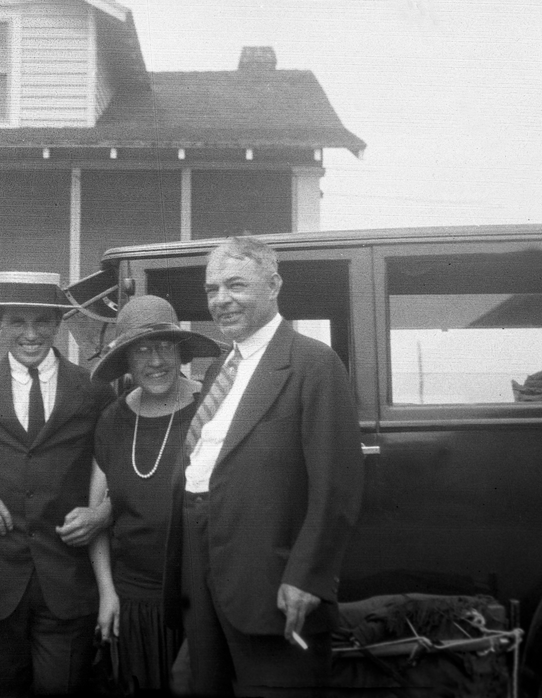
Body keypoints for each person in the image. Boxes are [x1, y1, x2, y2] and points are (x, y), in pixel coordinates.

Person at [166, 235, 365, 697]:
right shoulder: (219, 369)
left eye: (235, 285)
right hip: (202, 572)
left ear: (273, 284)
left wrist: (306, 577)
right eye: (213, 289)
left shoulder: (313, 364)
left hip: (270, 581)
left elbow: (337, 488)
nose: (221, 300)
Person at [0, 271, 116, 698]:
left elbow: (119, 468)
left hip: (68, 584)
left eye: (42, 321)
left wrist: (101, 514)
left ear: (58, 324)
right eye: (18, 322)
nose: (31, 334)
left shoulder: (93, 392)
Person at [88, 295, 222, 694]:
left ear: (181, 351)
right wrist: (107, 593)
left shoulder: (210, 410)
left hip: (201, 600)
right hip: (135, 601)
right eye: (141, 350)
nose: (156, 361)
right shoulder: (112, 421)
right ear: (126, 362)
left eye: (164, 346)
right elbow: (96, 516)